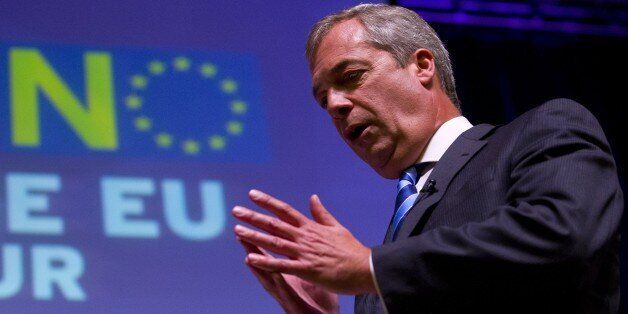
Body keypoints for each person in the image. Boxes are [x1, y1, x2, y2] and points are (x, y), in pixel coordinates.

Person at [232, 4, 623, 313]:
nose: (334, 104)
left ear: (421, 65)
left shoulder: (541, 130)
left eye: (350, 76)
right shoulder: (387, 255)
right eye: (323, 99)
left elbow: (563, 235)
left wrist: (370, 268)